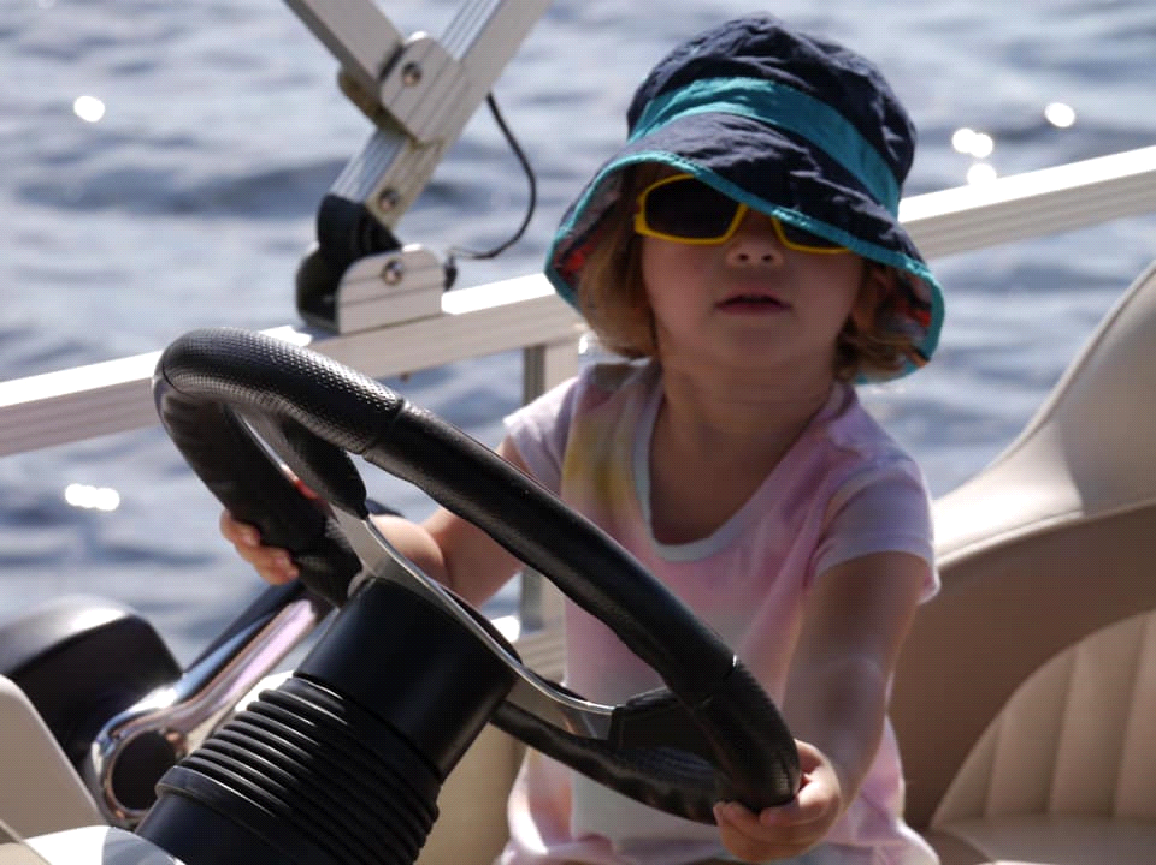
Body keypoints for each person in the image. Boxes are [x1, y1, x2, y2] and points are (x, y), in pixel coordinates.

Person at [221, 15, 946, 865]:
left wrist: (820, 776)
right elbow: (446, 569)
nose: (754, 246)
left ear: (868, 279)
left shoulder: (867, 488)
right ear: (632, 255)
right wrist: (318, 524)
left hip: (799, 847)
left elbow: (850, 665)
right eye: (699, 205)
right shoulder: (579, 428)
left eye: (807, 220)